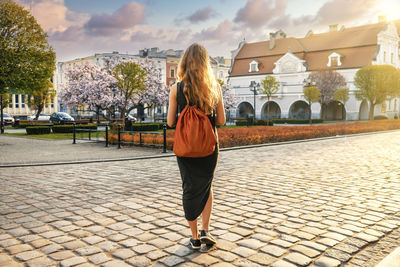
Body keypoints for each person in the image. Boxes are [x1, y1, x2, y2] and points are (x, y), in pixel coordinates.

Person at [167, 43, 226, 249]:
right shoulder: (214, 87)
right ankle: (205, 230)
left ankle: (194, 237)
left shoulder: (176, 88)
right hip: (209, 147)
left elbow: (170, 122)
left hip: (185, 148)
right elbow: (221, 121)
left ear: (184, 63)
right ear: (205, 63)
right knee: (206, 186)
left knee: (189, 188)